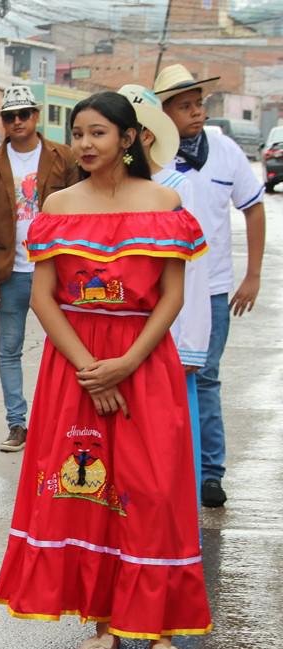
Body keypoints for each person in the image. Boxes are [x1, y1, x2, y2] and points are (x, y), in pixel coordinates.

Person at [0, 92, 212, 649]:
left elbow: (172, 296)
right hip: (76, 369)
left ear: (129, 137)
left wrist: (126, 364)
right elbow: (43, 297)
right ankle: (104, 623)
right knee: (92, 494)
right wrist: (93, 370)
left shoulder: (165, 203)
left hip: (146, 366)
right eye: (80, 133)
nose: (86, 145)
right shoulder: (58, 206)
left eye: (99, 133)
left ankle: (161, 629)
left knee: (155, 490)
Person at [154, 64, 266, 508]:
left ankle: (209, 472)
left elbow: (253, 209)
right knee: (158, 380)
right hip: (158, 290)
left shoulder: (224, 151)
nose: (196, 113)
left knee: (205, 378)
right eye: (185, 106)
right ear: (162, 115)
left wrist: (252, 275)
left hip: (213, 290)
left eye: (199, 104)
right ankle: (166, 467)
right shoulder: (148, 158)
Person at [118, 83, 209, 510]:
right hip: (120, 336)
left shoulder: (176, 190)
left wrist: (190, 344)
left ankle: (176, 528)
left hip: (167, 338)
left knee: (168, 439)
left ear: (143, 136)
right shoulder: (107, 189)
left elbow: (191, 275)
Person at [0, 85, 78, 453]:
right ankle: (17, 424)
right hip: (10, 272)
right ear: (2, 121)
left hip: (57, 269)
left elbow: (83, 212)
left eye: (23, 114)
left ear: (36, 116)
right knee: (10, 350)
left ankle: (64, 424)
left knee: (67, 349)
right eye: (9, 116)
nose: (16, 122)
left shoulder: (63, 157)